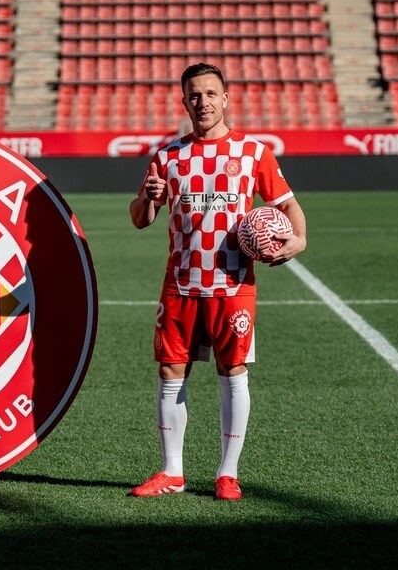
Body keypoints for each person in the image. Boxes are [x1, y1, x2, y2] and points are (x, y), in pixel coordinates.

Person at [128, 62, 306, 500]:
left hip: (232, 284)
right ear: (184, 102)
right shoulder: (168, 157)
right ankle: (173, 472)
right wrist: (147, 197)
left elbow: (287, 205)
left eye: (211, 94)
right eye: (194, 95)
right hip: (181, 282)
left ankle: (228, 474)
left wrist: (298, 240)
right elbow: (140, 219)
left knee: (232, 371)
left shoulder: (253, 152)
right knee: (170, 371)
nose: (203, 102)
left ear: (225, 99)